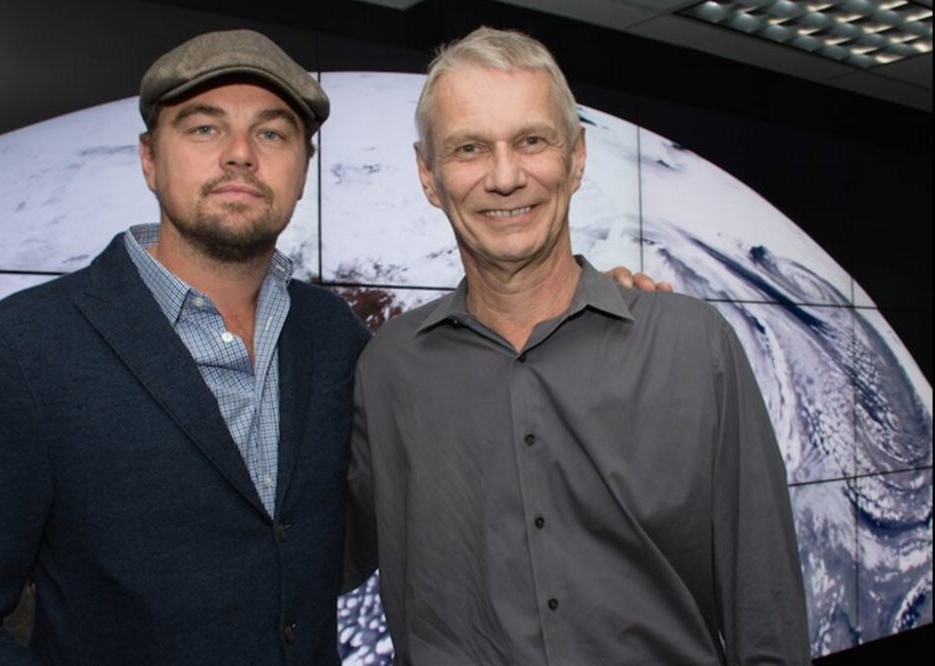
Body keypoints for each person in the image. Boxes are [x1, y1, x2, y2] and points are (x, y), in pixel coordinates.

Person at [0, 30, 370, 665]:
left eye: (272, 134)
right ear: (149, 160)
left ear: (302, 170)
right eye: (204, 128)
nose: (240, 155)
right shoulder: (24, 349)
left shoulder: (333, 336)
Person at [344, 27, 810, 665]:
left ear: (577, 157)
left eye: (531, 141)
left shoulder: (693, 349)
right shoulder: (388, 370)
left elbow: (766, 612)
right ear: (430, 175)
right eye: (470, 148)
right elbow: (313, 557)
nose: (505, 177)